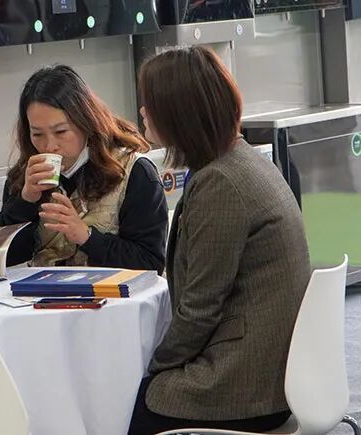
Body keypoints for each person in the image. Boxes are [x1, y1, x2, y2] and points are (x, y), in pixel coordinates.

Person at [128, 46, 312, 434]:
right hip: (272, 373)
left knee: (121, 405)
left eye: (150, 103)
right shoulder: (241, 161)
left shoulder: (220, 184)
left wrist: (148, 366)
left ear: (178, 113)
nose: (143, 111)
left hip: (242, 384)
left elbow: (199, 311)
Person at [0, 64, 168, 271]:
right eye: (37, 134)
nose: (49, 146)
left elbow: (150, 263)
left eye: (61, 131)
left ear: (86, 122)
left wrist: (86, 237)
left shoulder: (134, 171)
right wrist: (25, 201)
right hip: (41, 289)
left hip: (109, 290)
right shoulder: (25, 176)